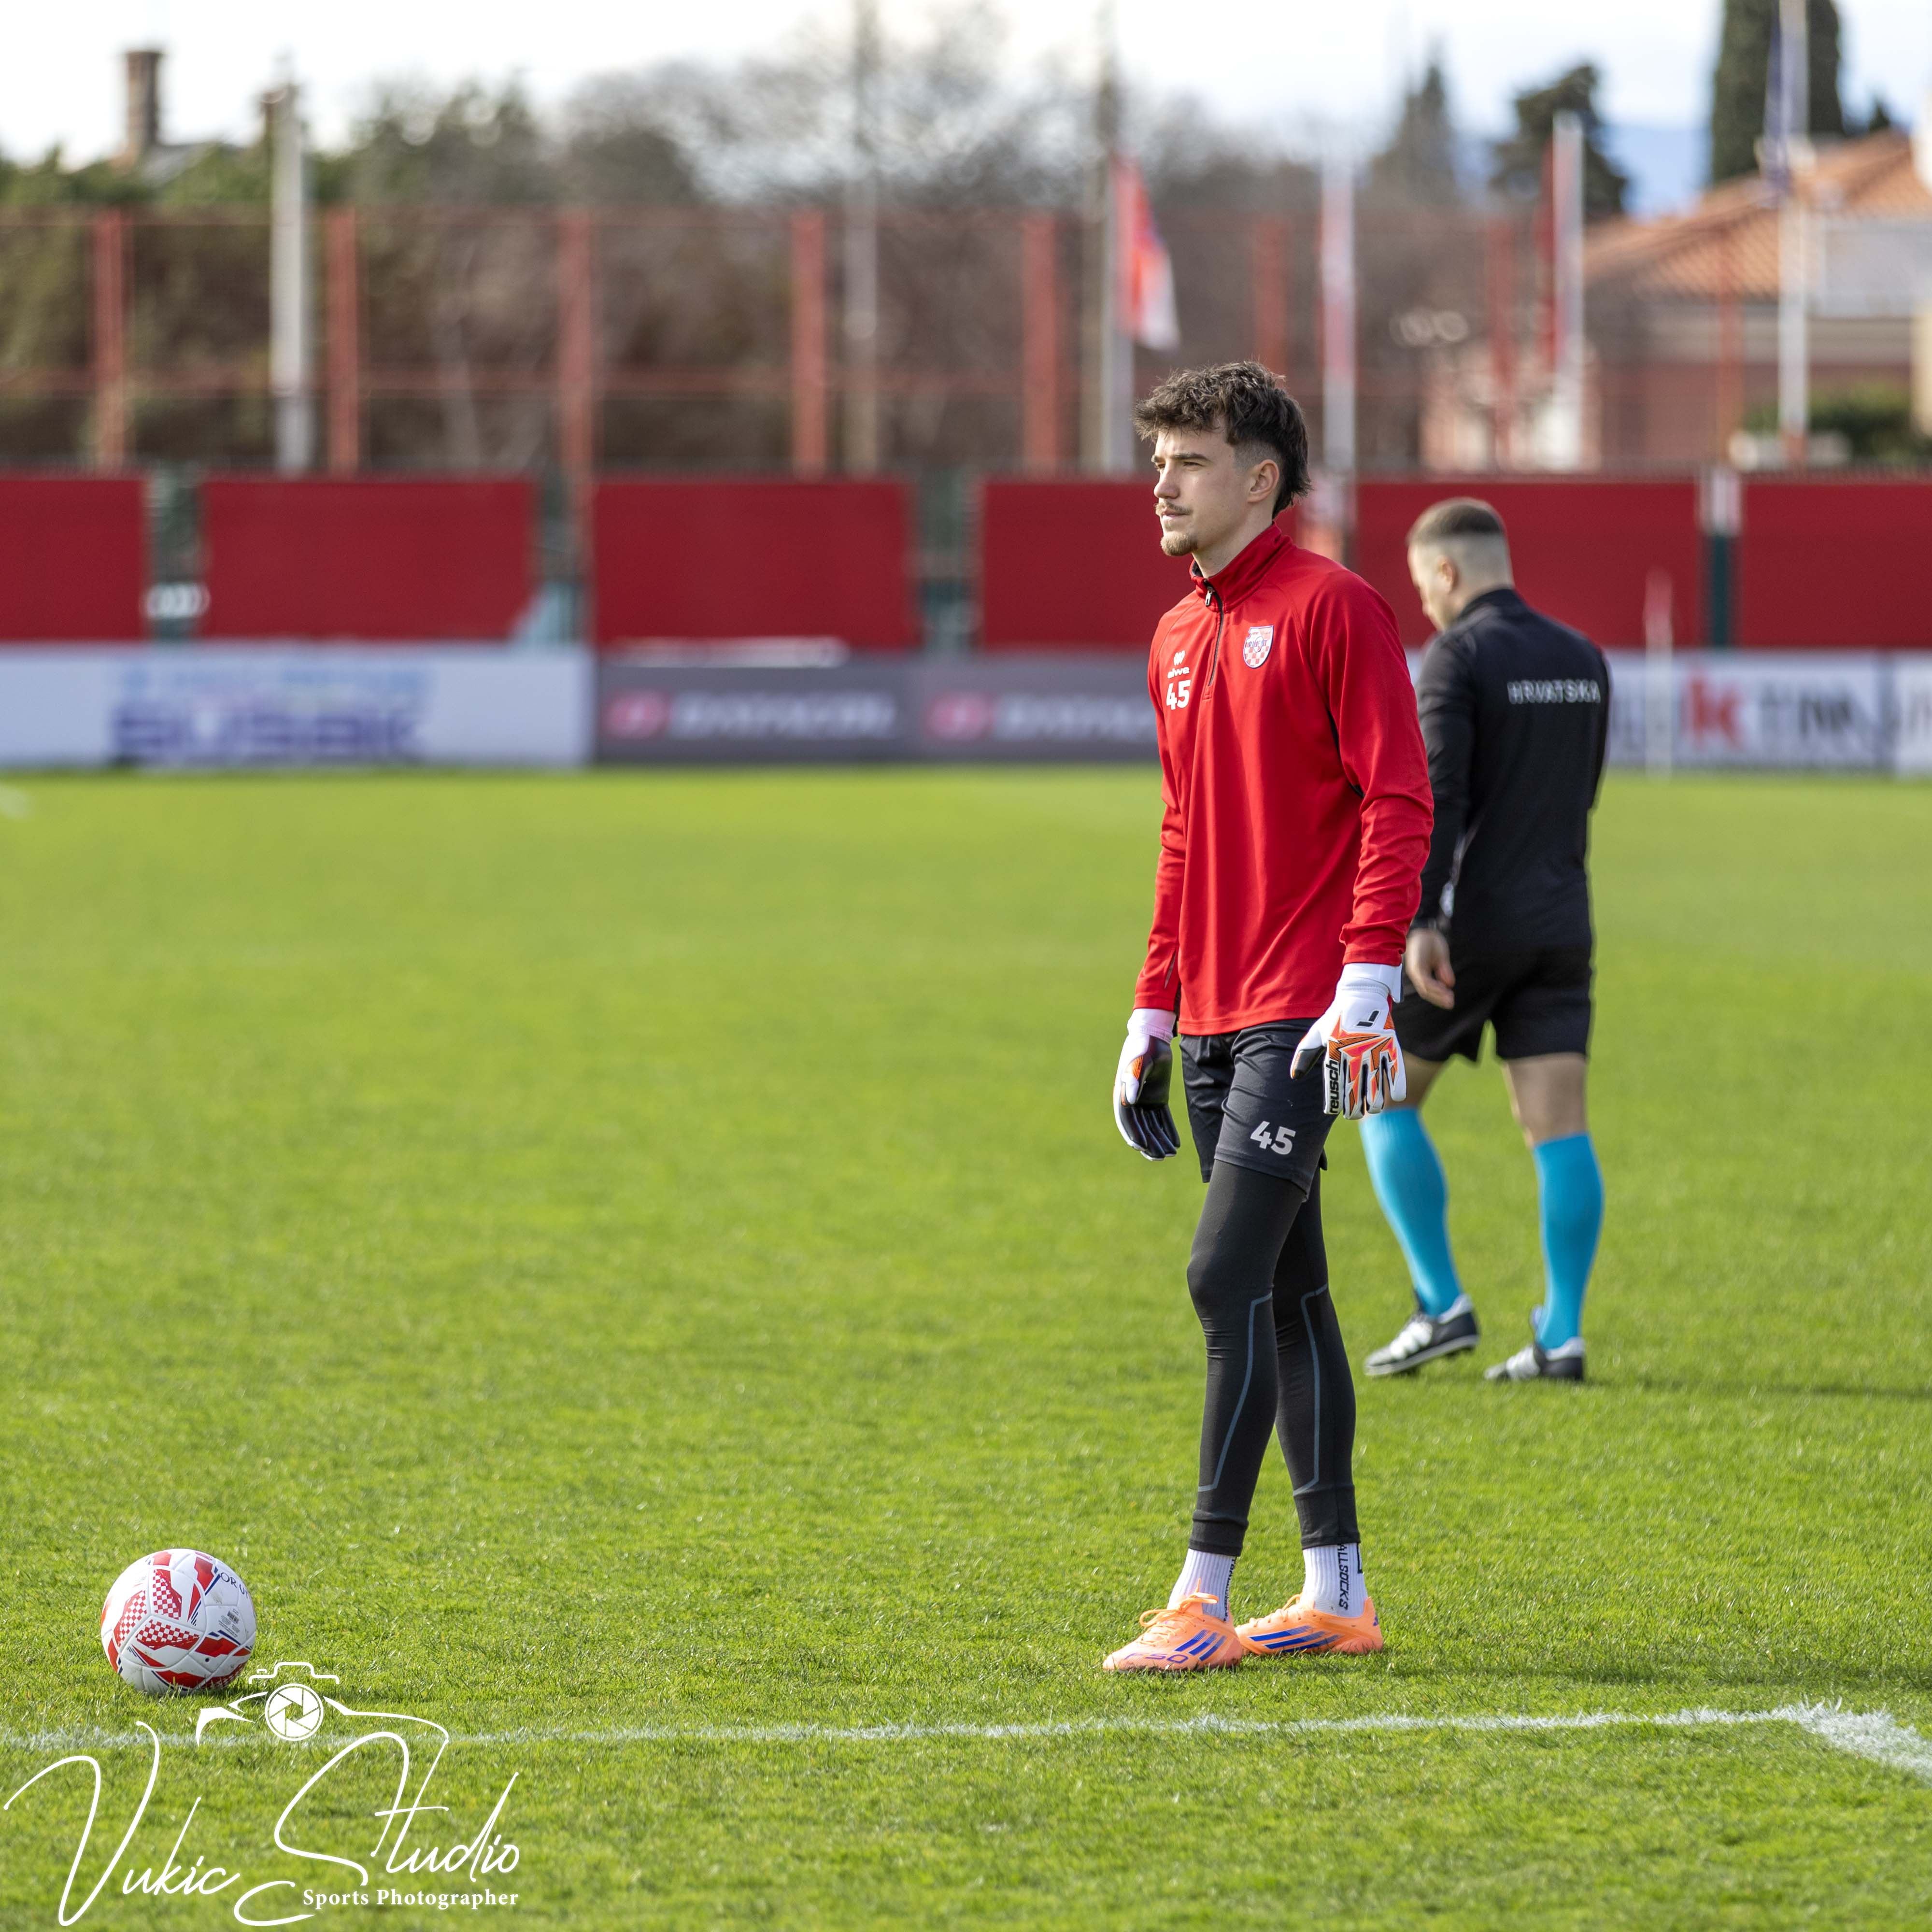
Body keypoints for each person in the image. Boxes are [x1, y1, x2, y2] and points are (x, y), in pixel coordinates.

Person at [1104, 362, 1433, 1673]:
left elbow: (1397, 798)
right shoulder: (1173, 638)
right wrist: (1150, 1004)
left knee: (1221, 1276)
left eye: (1187, 461)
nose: (1161, 483)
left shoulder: (1334, 608)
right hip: (1209, 1013)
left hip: (1304, 1011)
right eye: (1157, 460)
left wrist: (1367, 977)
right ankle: (1336, 1592)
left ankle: (1200, 1597)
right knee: (1290, 1295)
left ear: (1260, 479)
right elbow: (1182, 833)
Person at [1358, 497, 1609, 1386]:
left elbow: (1438, 794)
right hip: (1563, 919)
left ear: (1448, 570)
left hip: (1472, 926)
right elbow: (1584, 790)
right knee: (1560, 1128)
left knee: (1381, 1096)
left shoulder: (1456, 656)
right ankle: (1562, 1334)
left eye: (1422, 582)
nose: (1424, 602)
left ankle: (1440, 1305)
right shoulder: (1583, 656)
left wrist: (1421, 918)